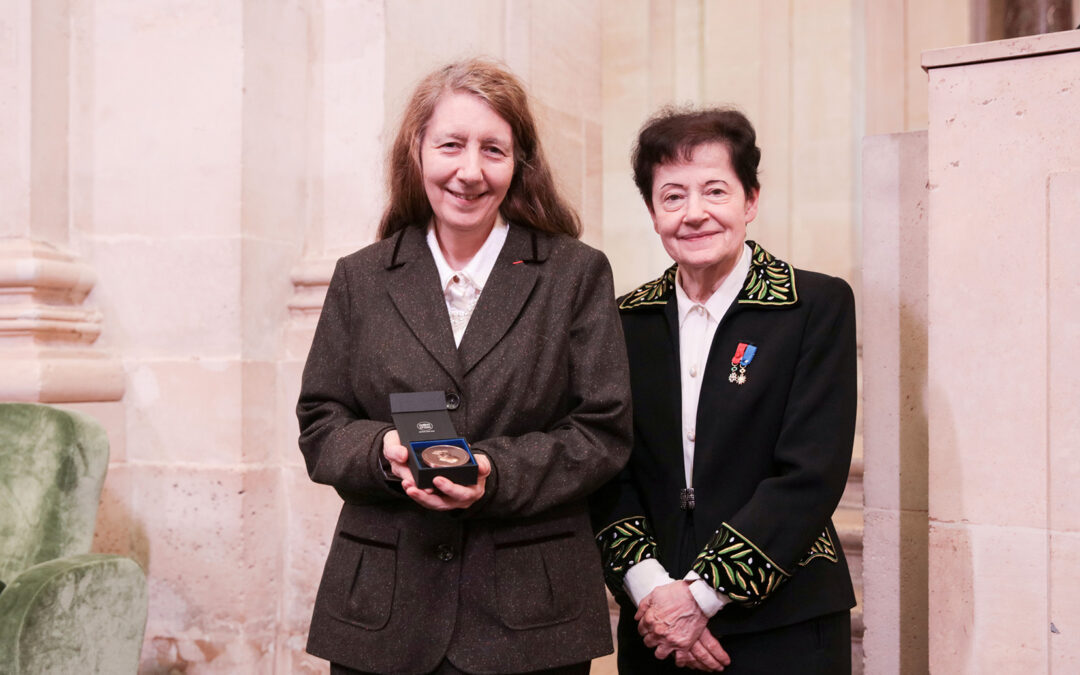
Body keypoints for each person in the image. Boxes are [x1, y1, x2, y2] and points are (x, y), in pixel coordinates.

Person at [296, 58, 632, 675]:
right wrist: (383, 451)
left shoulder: (576, 273)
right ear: (417, 150)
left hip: (531, 615)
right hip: (384, 612)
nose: (470, 171)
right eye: (451, 145)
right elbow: (321, 423)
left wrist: (494, 471)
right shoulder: (360, 277)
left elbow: (602, 432)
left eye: (493, 150)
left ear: (519, 162)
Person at [590, 107, 857, 673]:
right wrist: (652, 591)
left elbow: (811, 473)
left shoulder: (813, 305)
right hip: (655, 627)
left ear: (750, 200)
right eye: (673, 196)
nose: (695, 213)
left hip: (784, 622)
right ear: (653, 213)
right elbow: (608, 466)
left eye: (715, 190)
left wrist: (702, 596)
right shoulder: (624, 320)